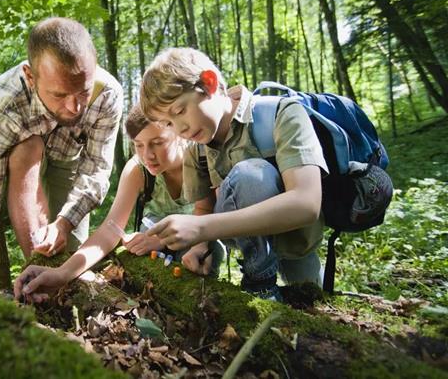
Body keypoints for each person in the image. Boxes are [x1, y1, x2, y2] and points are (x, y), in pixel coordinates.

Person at [139, 47, 328, 299]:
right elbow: (203, 209)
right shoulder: (197, 150)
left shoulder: (282, 114)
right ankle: (260, 284)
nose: (180, 129)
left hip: (296, 243)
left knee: (316, 302)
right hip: (251, 250)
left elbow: (307, 203)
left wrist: (202, 228)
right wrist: (200, 245)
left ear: (209, 83)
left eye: (180, 111)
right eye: (169, 124)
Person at [0, 17, 123, 286]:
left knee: (70, 257)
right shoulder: (1, 104)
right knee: (28, 147)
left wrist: (64, 223)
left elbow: (95, 169)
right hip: (22, 167)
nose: (74, 107)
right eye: (59, 94)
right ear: (30, 76)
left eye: (83, 92)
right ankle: (34, 269)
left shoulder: (108, 94)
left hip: (70, 163)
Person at [15, 105, 223, 303]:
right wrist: (62, 274)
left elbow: (212, 215)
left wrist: (163, 240)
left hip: (203, 239)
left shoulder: (201, 158)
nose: (148, 155)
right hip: (156, 243)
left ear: (178, 132)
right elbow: (110, 230)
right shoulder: (138, 170)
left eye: (158, 143)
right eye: (138, 145)